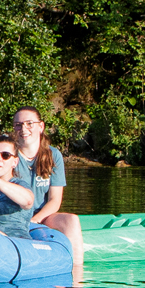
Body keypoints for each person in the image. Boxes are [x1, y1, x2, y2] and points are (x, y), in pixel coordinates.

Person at [12, 106, 85, 275]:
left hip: (42, 216)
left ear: (41, 126)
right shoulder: (8, 155)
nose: (23, 129)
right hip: (15, 215)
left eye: (29, 123)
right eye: (18, 125)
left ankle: (76, 273)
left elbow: (55, 200)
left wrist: (35, 220)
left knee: (72, 220)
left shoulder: (53, 155)